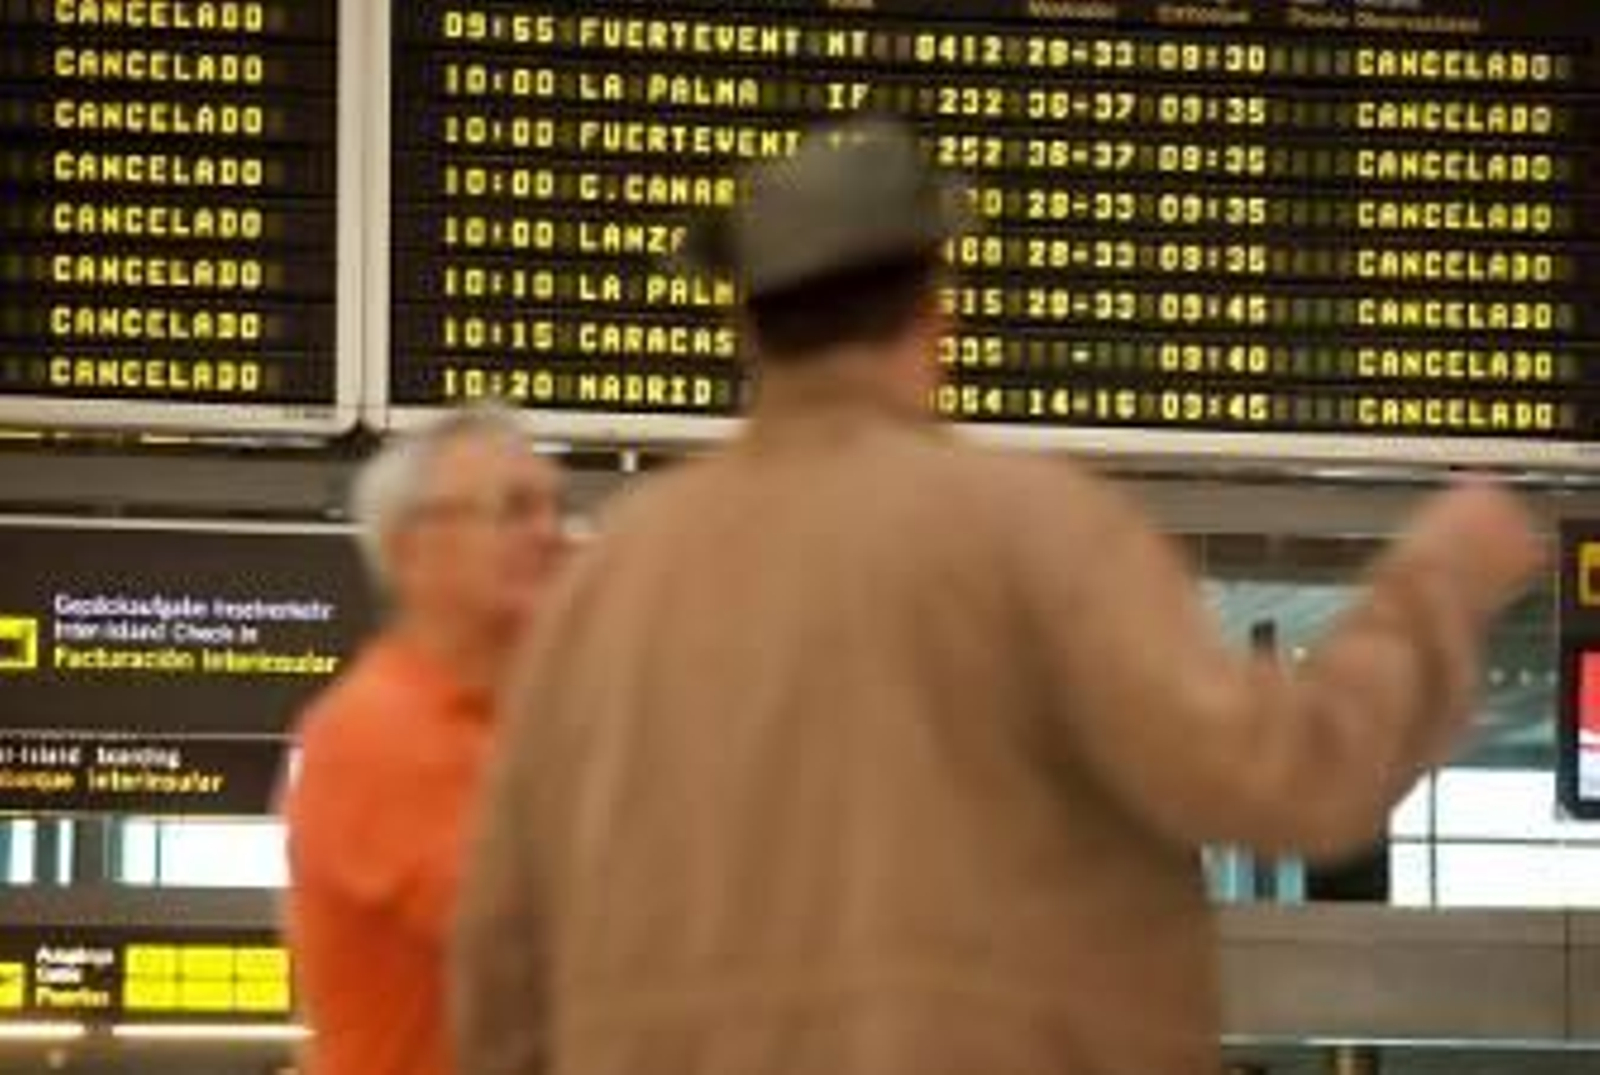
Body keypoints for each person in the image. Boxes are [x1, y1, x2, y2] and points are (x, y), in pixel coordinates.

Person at [452, 117, 1545, 1074]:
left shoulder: (606, 585)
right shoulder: (1027, 529)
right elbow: (1288, 779)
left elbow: (498, 957)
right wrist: (1439, 580)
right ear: (936, 314)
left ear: (746, 330)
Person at [283, 406, 566, 1075]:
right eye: (513, 508)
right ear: (410, 547)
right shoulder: (373, 733)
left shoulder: (528, 723)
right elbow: (565, 947)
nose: (550, 532)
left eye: (556, 506)